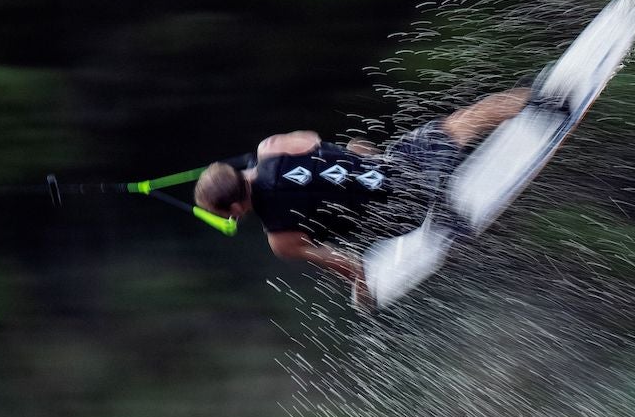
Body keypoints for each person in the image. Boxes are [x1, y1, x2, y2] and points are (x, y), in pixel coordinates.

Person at [194, 89, 528, 306]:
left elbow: (352, 267)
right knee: (463, 121)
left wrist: (363, 293)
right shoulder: (272, 147)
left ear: (236, 207)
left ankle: (444, 218)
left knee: (367, 184)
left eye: (225, 213)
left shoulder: (281, 239)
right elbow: (315, 142)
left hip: (406, 215)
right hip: (403, 172)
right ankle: (536, 100)